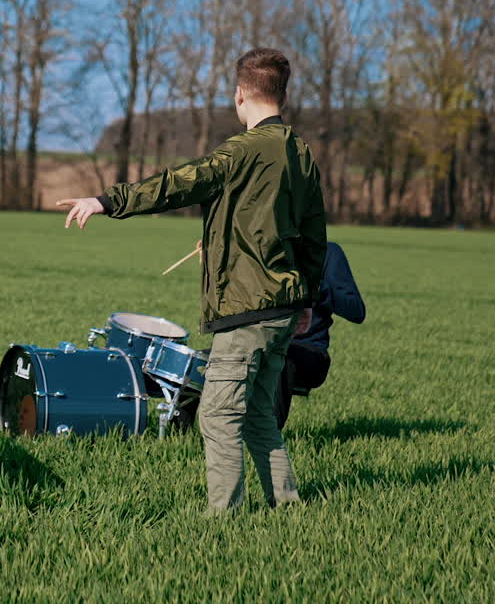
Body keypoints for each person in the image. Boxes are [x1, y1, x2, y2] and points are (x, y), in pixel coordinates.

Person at [57, 48, 326, 513]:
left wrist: (107, 201)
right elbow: (309, 233)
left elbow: (176, 183)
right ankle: (288, 505)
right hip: (284, 307)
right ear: (283, 93)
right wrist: (308, 299)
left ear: (240, 95)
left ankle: (224, 520)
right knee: (260, 413)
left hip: (247, 311)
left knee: (218, 414)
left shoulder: (239, 151)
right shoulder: (299, 153)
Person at [274, 241, 365, 428]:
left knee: (277, 358)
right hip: (256, 344)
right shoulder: (260, 249)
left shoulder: (328, 252)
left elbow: (356, 311)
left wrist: (317, 289)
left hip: (309, 350)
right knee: (199, 362)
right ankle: (197, 440)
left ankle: (268, 442)